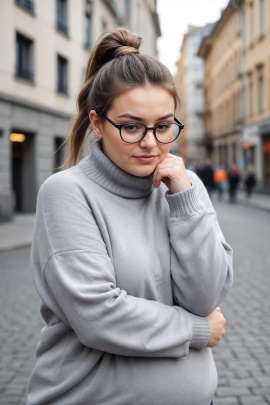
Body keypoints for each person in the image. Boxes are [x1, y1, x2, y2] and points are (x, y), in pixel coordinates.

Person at [27, 28, 233, 405]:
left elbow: (205, 297)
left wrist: (184, 200)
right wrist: (194, 329)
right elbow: (98, 316)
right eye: (131, 126)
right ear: (97, 123)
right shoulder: (67, 193)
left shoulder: (186, 187)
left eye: (164, 125)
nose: (151, 143)